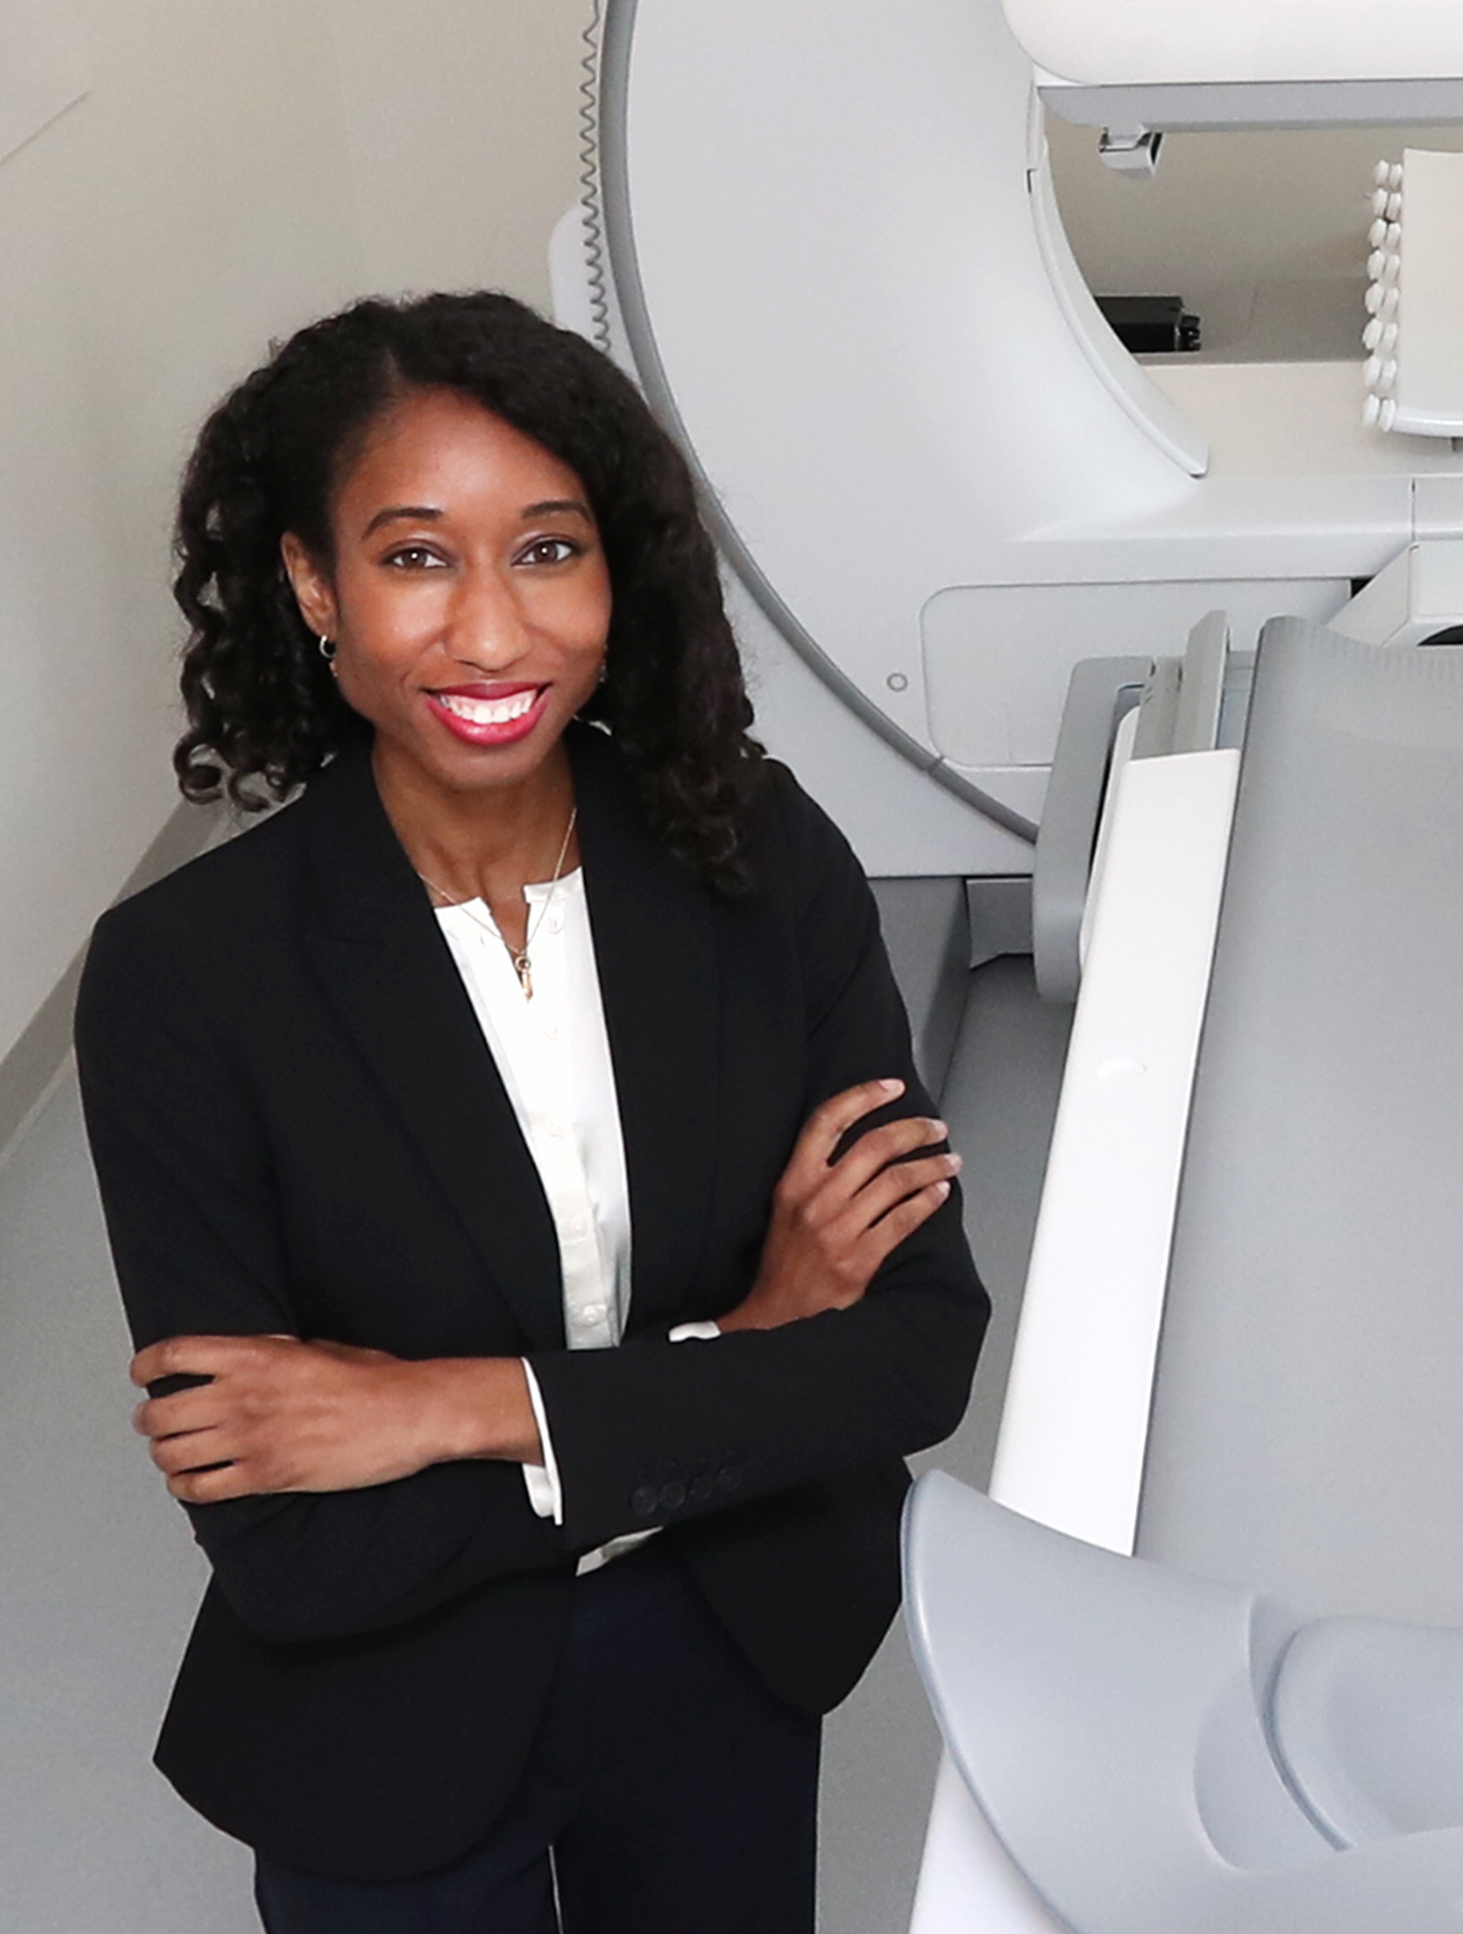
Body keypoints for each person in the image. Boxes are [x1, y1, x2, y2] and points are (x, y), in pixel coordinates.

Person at [75, 291, 990, 1933]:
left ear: (616, 570)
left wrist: (445, 1408)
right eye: (417, 557)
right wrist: (743, 1354)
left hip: (722, 1655)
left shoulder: (758, 865)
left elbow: (913, 1353)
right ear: (313, 585)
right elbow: (293, 1545)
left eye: (548, 552)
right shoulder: (183, 979)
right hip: (389, 1713)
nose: (493, 636)